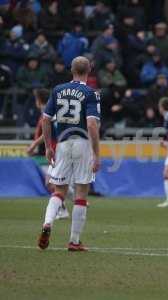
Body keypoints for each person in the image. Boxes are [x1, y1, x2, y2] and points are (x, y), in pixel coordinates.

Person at [37, 56, 101, 252]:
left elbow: (46, 120)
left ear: (71, 70)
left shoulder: (57, 90)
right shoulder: (90, 93)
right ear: (88, 70)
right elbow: (91, 124)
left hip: (63, 144)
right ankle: (74, 241)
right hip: (82, 143)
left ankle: (48, 223)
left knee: (59, 191)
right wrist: (97, 154)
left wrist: (48, 146)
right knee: (81, 193)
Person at [26, 88, 70, 220]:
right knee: (54, 181)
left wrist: (34, 144)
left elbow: (48, 131)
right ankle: (74, 201)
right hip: (60, 148)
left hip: (58, 149)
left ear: (39, 101)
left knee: (51, 182)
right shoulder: (51, 110)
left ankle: (65, 208)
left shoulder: (48, 111)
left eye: (36, 99)